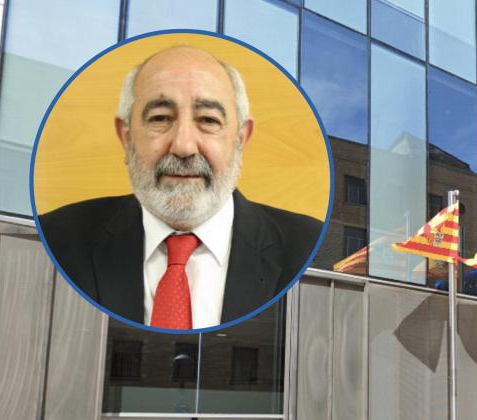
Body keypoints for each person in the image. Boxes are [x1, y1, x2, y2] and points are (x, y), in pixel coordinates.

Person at [39, 45, 322, 329]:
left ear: (240, 140)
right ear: (126, 138)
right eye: (160, 119)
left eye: (208, 120)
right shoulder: (56, 239)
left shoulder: (308, 249)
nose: (184, 146)